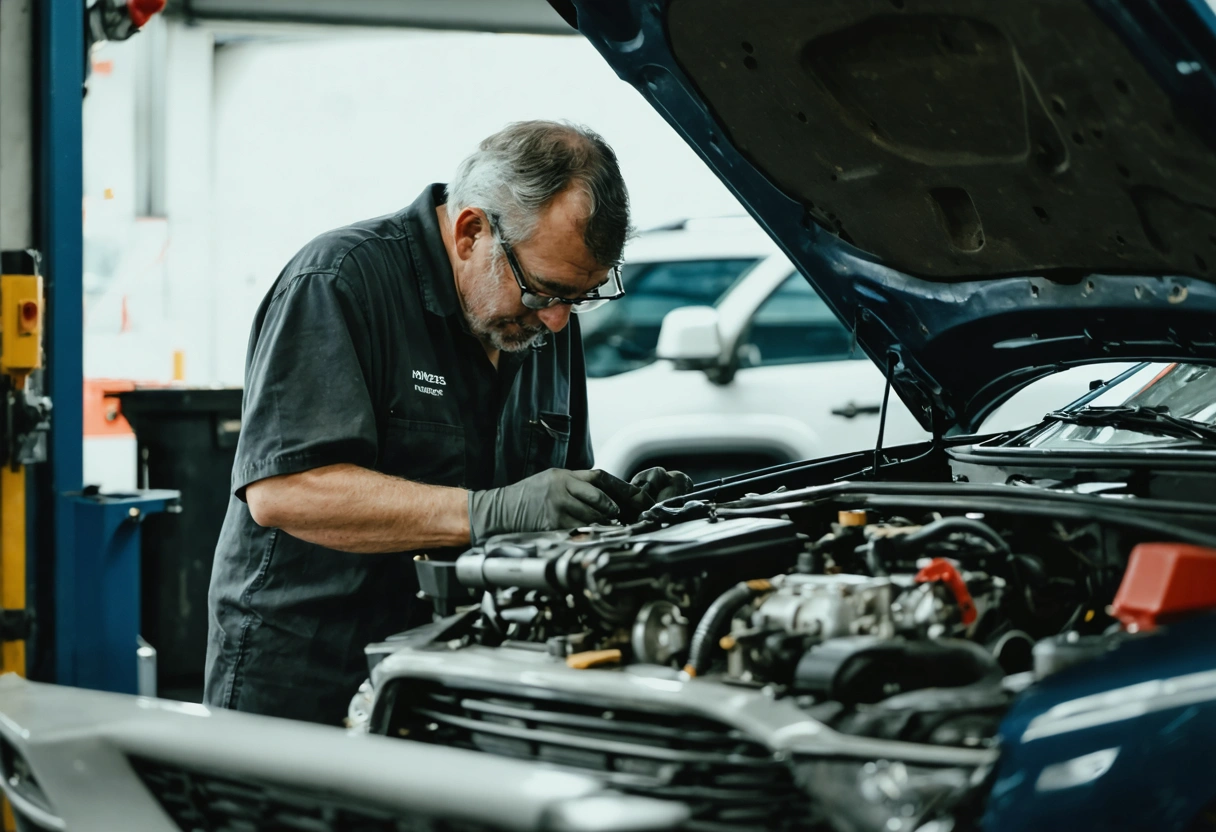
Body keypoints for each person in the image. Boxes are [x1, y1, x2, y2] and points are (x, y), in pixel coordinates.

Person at [204, 121, 693, 724]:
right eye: (544, 292)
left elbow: (549, 505)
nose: (560, 321)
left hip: (460, 677)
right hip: (311, 680)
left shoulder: (543, 320)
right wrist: (488, 512)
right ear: (470, 233)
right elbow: (285, 492)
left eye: (580, 297)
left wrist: (625, 519)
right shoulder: (339, 282)